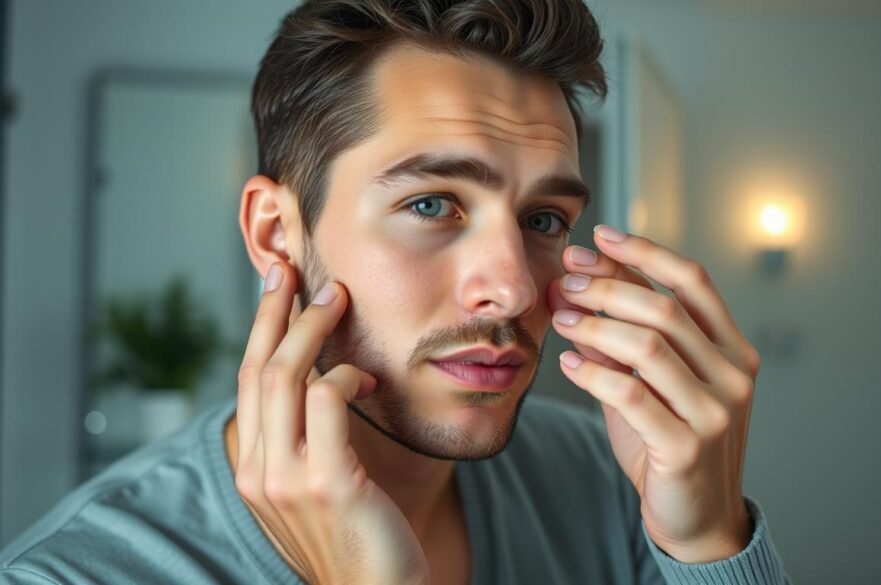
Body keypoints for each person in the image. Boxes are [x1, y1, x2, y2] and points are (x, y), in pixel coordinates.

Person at [0, 0, 791, 583]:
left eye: (545, 218)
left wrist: (709, 546)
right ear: (276, 234)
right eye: (430, 204)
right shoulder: (75, 573)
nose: (514, 288)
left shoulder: (604, 478)